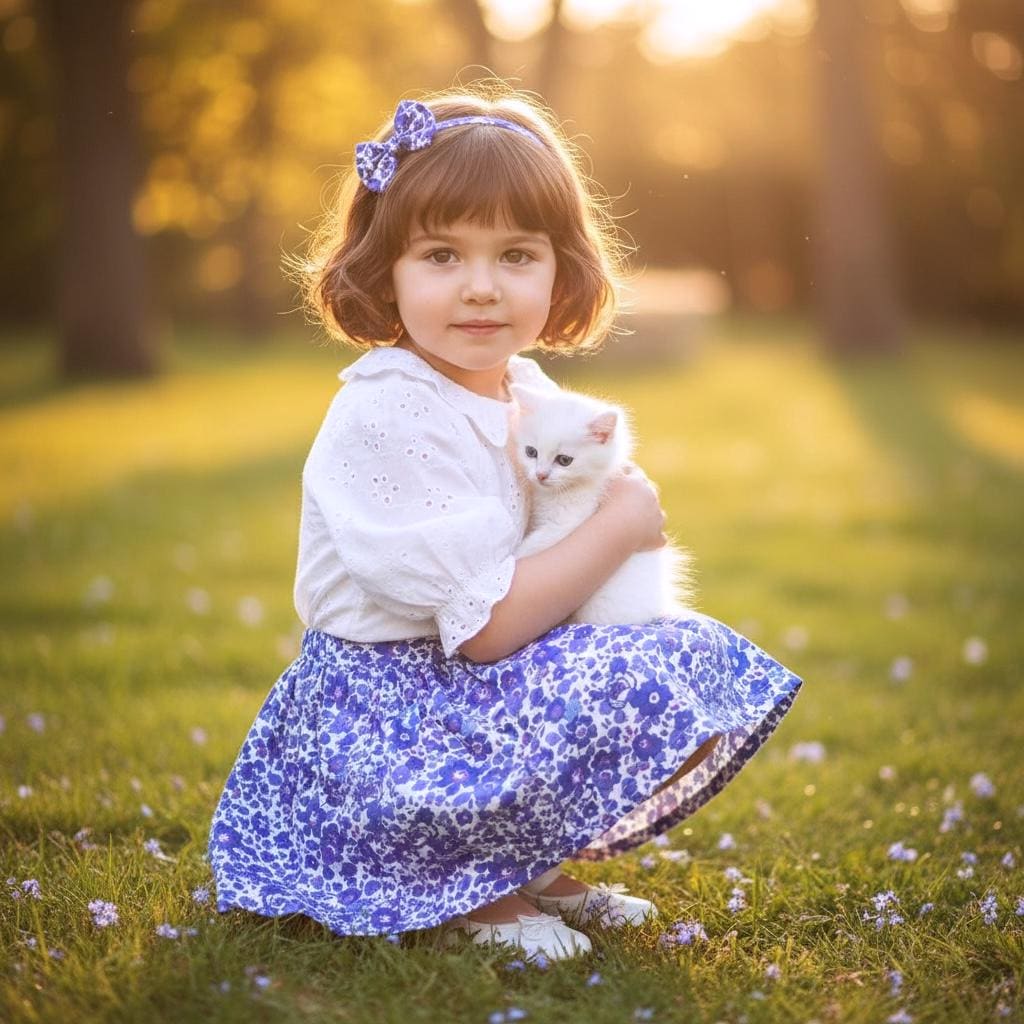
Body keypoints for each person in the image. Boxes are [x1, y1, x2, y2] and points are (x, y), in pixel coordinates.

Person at [208, 84, 802, 962]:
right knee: (629, 667)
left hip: (469, 689)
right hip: (385, 719)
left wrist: (617, 525)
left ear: (561, 268)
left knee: (686, 657)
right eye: (441, 255)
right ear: (384, 270)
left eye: (516, 255)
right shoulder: (387, 414)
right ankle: (457, 886)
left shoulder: (527, 390)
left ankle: (521, 863)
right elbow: (485, 632)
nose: (482, 289)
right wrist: (626, 520)